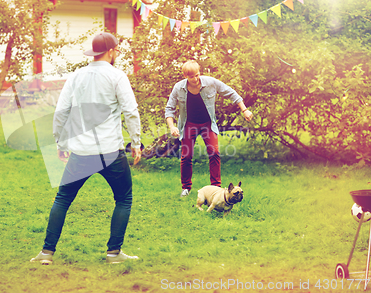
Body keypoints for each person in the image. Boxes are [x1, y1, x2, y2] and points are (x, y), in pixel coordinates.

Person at [30, 32, 142, 265]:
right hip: (110, 151)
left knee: (62, 199)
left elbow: (62, 111)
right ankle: (114, 254)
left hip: (81, 152)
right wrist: (137, 142)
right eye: (117, 50)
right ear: (111, 51)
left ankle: (46, 253)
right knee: (123, 198)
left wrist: (60, 142)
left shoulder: (77, 76)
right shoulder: (117, 76)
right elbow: (131, 111)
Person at [165, 60, 253, 197]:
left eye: (197, 74)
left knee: (214, 152)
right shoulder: (178, 88)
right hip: (189, 124)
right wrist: (172, 127)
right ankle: (186, 188)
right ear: (185, 76)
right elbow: (169, 109)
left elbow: (231, 93)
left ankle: (215, 188)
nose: (196, 79)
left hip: (207, 124)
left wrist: (244, 110)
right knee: (186, 156)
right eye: (192, 76)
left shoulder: (210, 82)